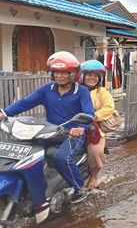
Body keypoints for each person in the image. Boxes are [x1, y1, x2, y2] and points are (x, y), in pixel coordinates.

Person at [0, 51, 95, 217]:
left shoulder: (82, 91)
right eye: (57, 72)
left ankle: (79, 188)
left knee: (60, 157)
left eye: (65, 73)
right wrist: (4, 113)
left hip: (73, 134)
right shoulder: (46, 90)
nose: (60, 76)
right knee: (25, 152)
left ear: (73, 74)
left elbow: (89, 113)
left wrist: (81, 127)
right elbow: (24, 103)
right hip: (50, 132)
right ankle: (29, 186)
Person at [80, 60, 115, 190]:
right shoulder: (75, 90)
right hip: (73, 126)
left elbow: (109, 108)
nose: (92, 78)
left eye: (95, 76)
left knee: (95, 151)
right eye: (89, 75)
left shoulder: (102, 92)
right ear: (82, 76)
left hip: (95, 129)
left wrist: (92, 116)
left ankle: (94, 176)